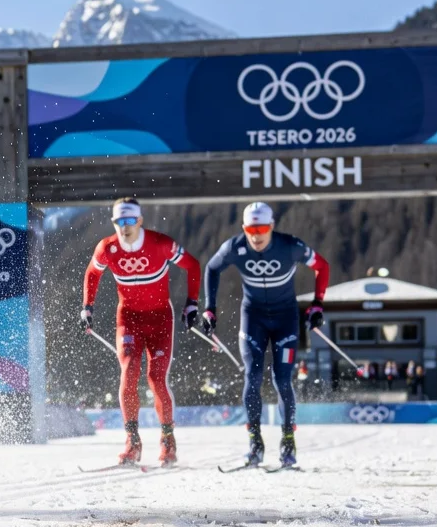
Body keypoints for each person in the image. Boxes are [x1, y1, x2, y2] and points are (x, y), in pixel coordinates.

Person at [203, 201, 329, 468]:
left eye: (261, 229)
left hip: (285, 319)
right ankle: (255, 445)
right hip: (254, 318)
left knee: (282, 380)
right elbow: (212, 268)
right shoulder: (234, 247)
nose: (256, 235)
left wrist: (318, 303)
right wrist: (209, 308)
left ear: (271, 226)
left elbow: (322, 266)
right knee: (253, 376)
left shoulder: (290, 245)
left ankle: (288, 443)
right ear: (244, 228)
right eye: (251, 229)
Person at [80, 197, 202, 466]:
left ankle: (167, 440)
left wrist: (192, 303)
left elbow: (192, 265)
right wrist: (87, 308)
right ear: (114, 223)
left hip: (160, 319)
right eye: (119, 221)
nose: (125, 227)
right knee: (129, 372)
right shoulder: (108, 247)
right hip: (129, 318)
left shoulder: (159, 243)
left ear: (140, 221)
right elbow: (92, 273)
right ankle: (132, 442)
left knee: (156, 379)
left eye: (130, 221)